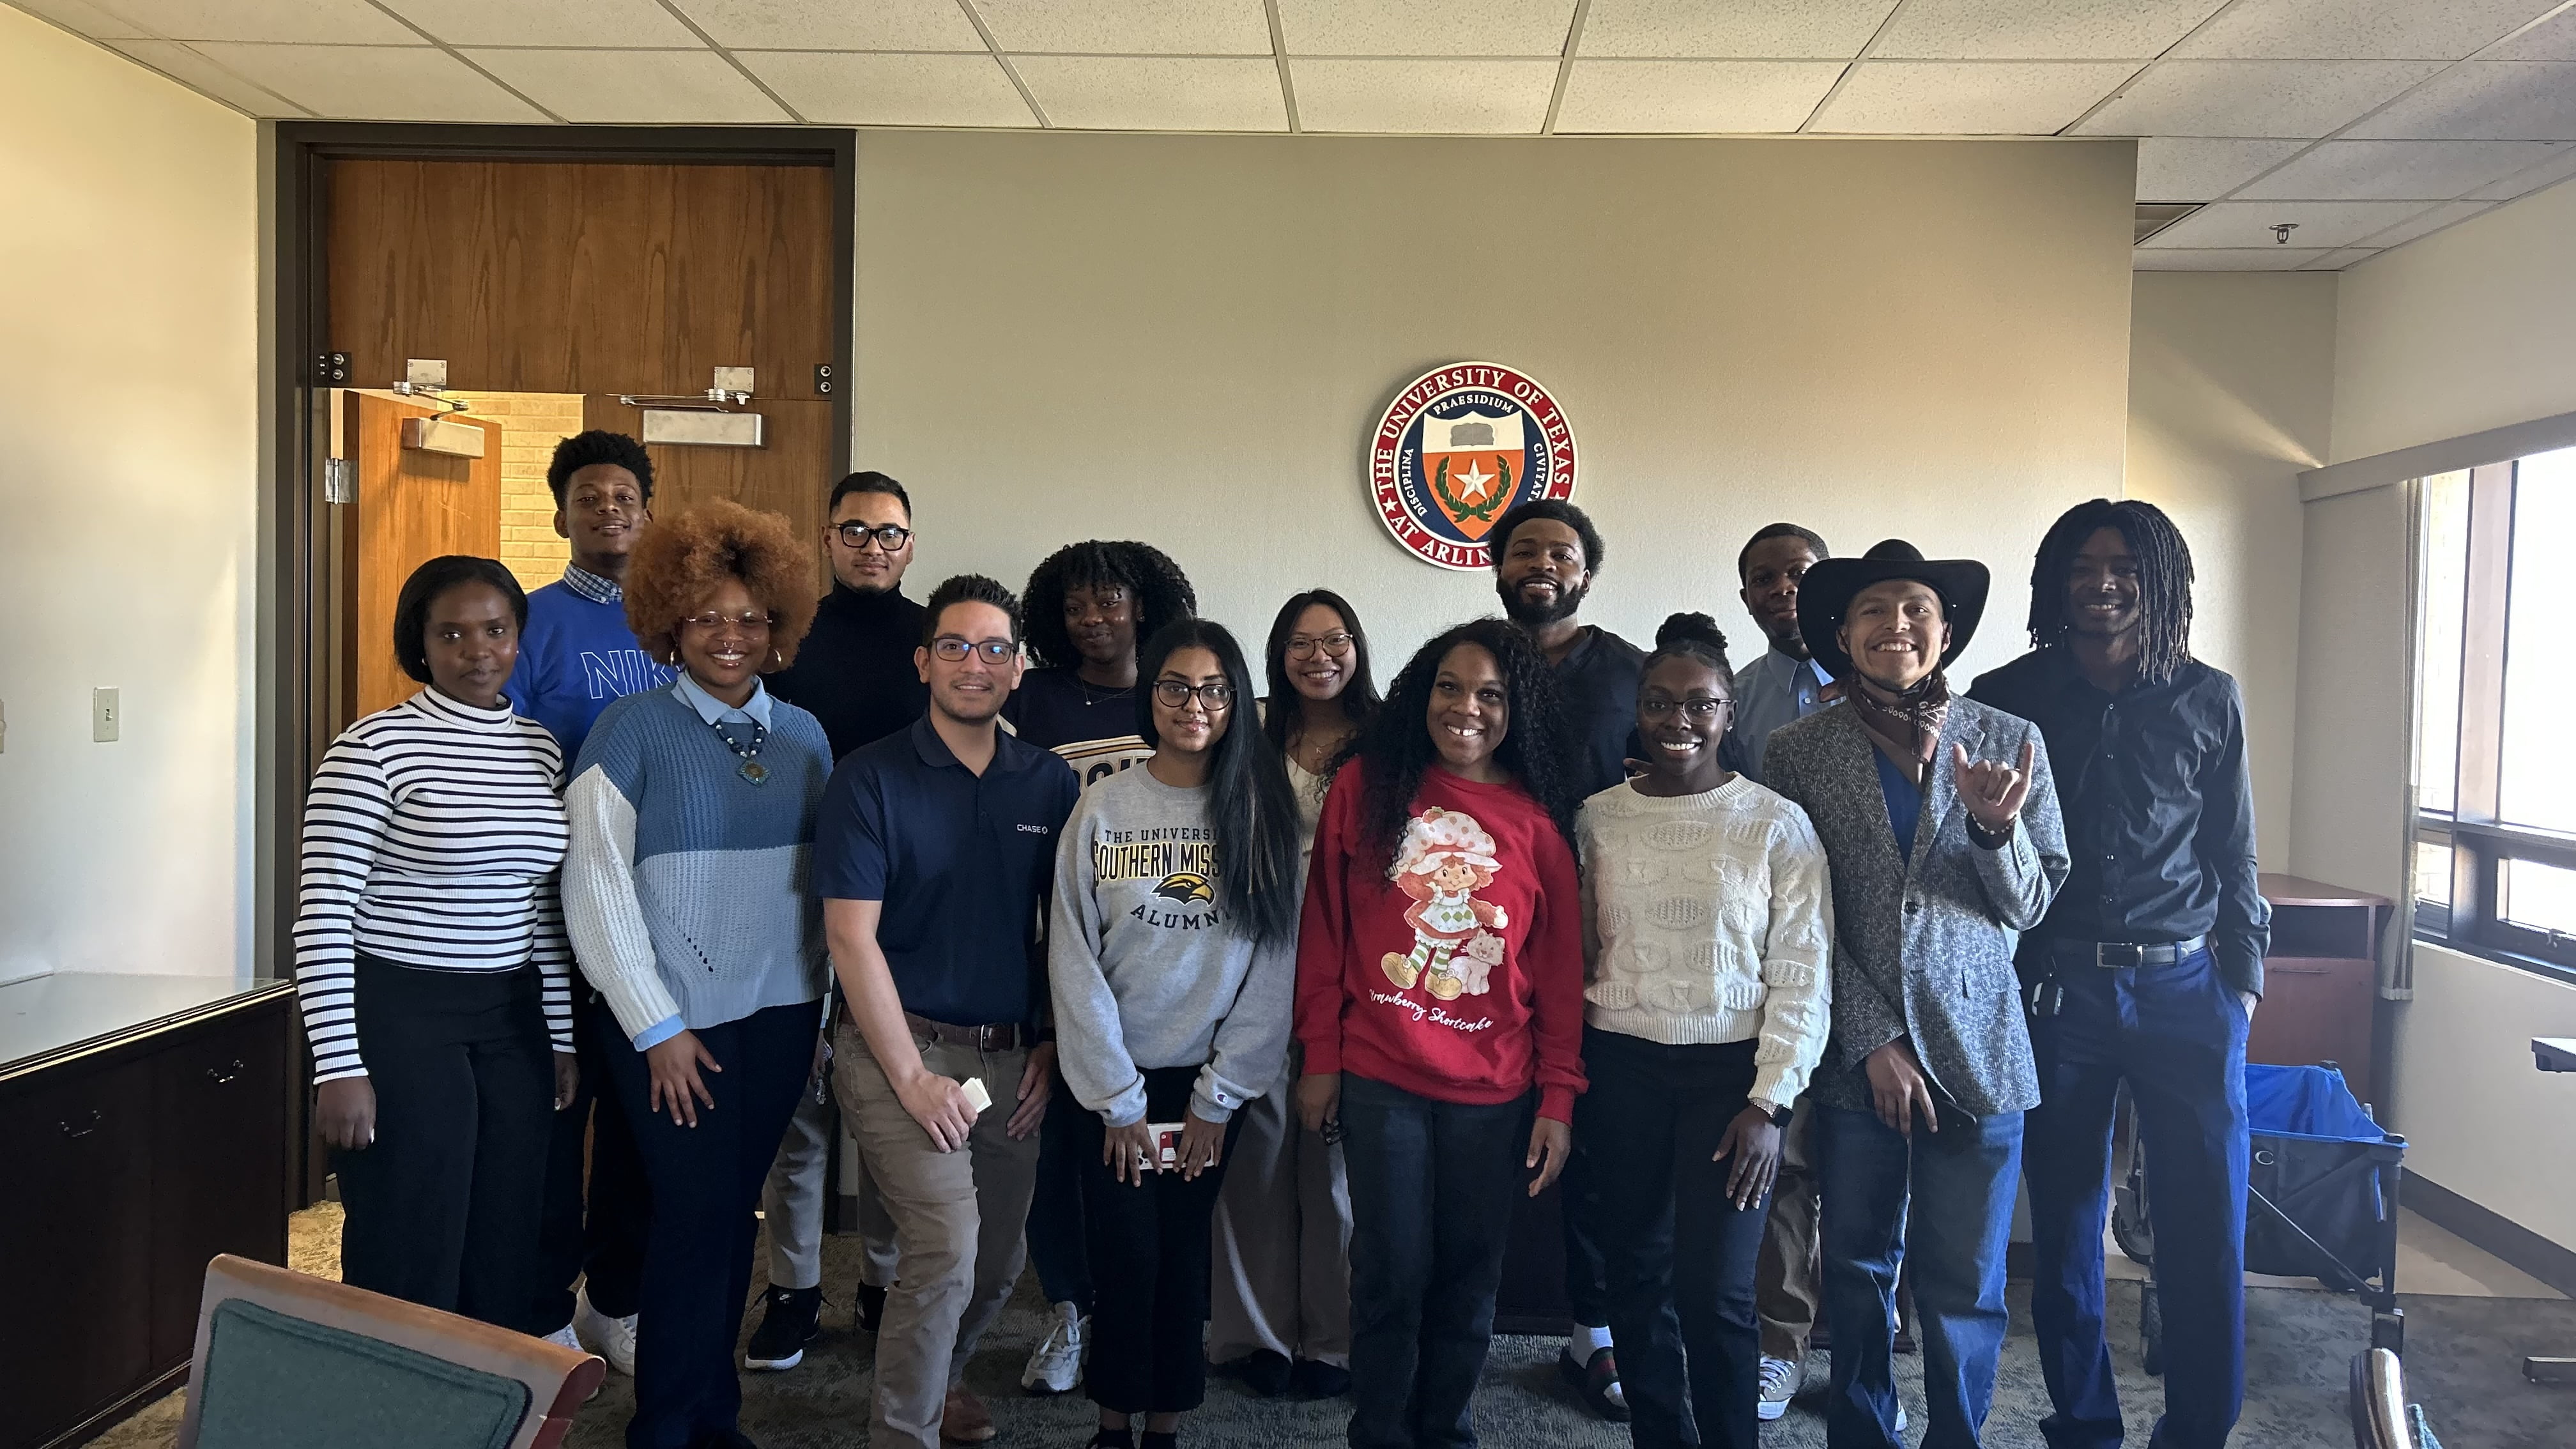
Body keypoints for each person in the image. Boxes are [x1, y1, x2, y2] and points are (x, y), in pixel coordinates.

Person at [1970, 500, 2268, 1449]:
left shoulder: (2209, 696)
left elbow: (2236, 854)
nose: (2102, 582)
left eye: (2124, 566)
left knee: (2204, 1227)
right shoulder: (2004, 695)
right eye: (2083, 566)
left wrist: (2244, 988)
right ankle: (2085, 1425)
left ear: (2161, 581)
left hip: (2190, 992)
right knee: (2064, 1226)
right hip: (2062, 991)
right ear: (2056, 581)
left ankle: (2199, 1429)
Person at [1762, 539, 2067, 1449]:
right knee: (1855, 1270)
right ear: (1843, 634)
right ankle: (1861, 1432)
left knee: (1965, 1284)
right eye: (1874, 611)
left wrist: (1993, 827)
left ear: (1945, 630)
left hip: (1982, 1051)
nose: (1897, 626)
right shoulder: (1797, 751)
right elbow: (1798, 914)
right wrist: (1873, 1041)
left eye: (1917, 611)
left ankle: (1955, 1438)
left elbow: (2032, 901)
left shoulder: (2012, 741)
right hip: (1861, 1063)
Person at [560, 500, 832, 1449]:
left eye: (751, 617)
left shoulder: (805, 737)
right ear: (669, 622)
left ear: (780, 626)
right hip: (672, 1031)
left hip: (782, 1020)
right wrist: (655, 1028)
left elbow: (821, 897)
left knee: (727, 1219)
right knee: (693, 1219)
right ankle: (671, 1425)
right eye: (708, 616)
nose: (730, 635)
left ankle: (709, 1415)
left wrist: (826, 1015)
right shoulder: (626, 732)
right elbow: (593, 892)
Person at [1292, 618, 1588, 1449]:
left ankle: (1447, 1429)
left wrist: (1558, 1096)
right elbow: (1325, 935)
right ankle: (1380, 1431)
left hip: (1495, 1092)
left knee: (1468, 1278)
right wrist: (1321, 1057)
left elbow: (1561, 976)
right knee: (1390, 1270)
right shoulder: (1367, 788)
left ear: (1515, 710)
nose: (1467, 709)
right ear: (1421, 695)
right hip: (1381, 1075)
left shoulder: (1537, 826)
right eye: (1450, 688)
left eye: (1491, 695)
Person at [815, 574, 1079, 1449]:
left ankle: (943, 1376)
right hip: (896, 1048)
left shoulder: (1048, 785)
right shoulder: (869, 778)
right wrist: (912, 1077)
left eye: (996, 649)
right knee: (947, 1248)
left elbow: (1066, 936)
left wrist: (1048, 1045)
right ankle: (905, 1431)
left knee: (1001, 1259)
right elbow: (852, 942)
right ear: (924, 662)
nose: (976, 664)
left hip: (1012, 1059)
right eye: (957, 647)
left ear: (1018, 669)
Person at [293, 555, 576, 1340]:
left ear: (520, 638)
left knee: (505, 1230)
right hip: (402, 1011)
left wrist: (557, 1035)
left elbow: (541, 911)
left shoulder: (540, 750)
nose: (477, 651)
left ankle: (486, 1404)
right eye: (451, 633)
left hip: (512, 1012)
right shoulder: (371, 749)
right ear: (420, 642)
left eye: (495, 630)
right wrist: (339, 1065)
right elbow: (320, 918)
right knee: (413, 1228)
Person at [1576, 611, 1833, 1449]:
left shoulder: (1775, 824)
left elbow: (1802, 974)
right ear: (1638, 713)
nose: (1678, 721)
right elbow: (1579, 954)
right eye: (1659, 702)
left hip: (1734, 1080)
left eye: (1700, 704)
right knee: (1637, 1282)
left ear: (1728, 713)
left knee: (1718, 1292)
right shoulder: (1597, 821)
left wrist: (1772, 1104)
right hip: (1621, 1067)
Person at [1050, 618, 1302, 1449]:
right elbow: (1074, 959)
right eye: (1175, 687)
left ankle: (1165, 1424)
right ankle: (1113, 1422)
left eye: (1214, 689)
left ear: (1236, 701)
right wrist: (1117, 1103)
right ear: (1148, 694)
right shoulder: (1103, 807)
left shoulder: (1261, 813)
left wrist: (1219, 1100)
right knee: (1123, 1261)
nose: (1194, 705)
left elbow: (1274, 970)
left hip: (1207, 1088)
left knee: (1183, 1261)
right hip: (1113, 1083)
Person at [745, 470, 926, 1370]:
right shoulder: (790, 637)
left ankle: (887, 1282)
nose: (873, 547)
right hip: (800, 889)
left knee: (898, 1106)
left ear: (910, 545)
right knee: (802, 1111)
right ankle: (793, 1291)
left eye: (890, 533)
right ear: (827, 539)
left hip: (902, 900)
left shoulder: (938, 641)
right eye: (856, 531)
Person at [1008, 539, 1199, 1395]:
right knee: (1057, 1140)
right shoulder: (1036, 700)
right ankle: (1069, 1311)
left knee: (1153, 1152)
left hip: (1167, 959)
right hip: (1057, 947)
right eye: (1078, 604)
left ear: (1143, 603)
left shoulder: (1181, 694)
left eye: (1110, 599)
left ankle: (1157, 1319)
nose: (1094, 618)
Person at [509, 429, 672, 1370]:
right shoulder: (530, 623)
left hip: (659, 913)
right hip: (557, 912)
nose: (608, 511)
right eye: (588, 498)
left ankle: (619, 1296)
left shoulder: (681, 622)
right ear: (563, 513)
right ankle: (544, 1305)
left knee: (640, 1119)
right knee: (558, 1112)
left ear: (648, 508)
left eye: (623, 496)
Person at [1208, 590, 1379, 1400]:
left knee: (1339, 1161)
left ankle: (1335, 1340)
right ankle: (1257, 1336)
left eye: (1336, 639)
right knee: (1259, 1154)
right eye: (1301, 643)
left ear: (1357, 648)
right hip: (1260, 963)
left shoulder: (1388, 738)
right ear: (1277, 654)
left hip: (1358, 966)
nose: (1320, 656)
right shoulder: (1249, 736)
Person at [1488, 496, 1636, 1416]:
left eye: (1561, 552)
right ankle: (1459, 1321)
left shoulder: (1628, 674)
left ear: (1586, 572)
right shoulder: (1471, 662)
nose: (1543, 563)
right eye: (1525, 550)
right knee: (1478, 1128)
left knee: (1592, 1129)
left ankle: (1597, 1333)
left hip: (1601, 933)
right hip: (1479, 932)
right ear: (1497, 567)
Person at [1726, 521, 1840, 1422]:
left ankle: (1873, 1351)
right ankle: (1781, 1345)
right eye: (1764, 579)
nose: (1782, 590)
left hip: (1878, 957)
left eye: (1798, 574)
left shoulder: (1889, 680)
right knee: (1789, 1166)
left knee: (1882, 1168)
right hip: (1783, 958)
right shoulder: (1740, 697)